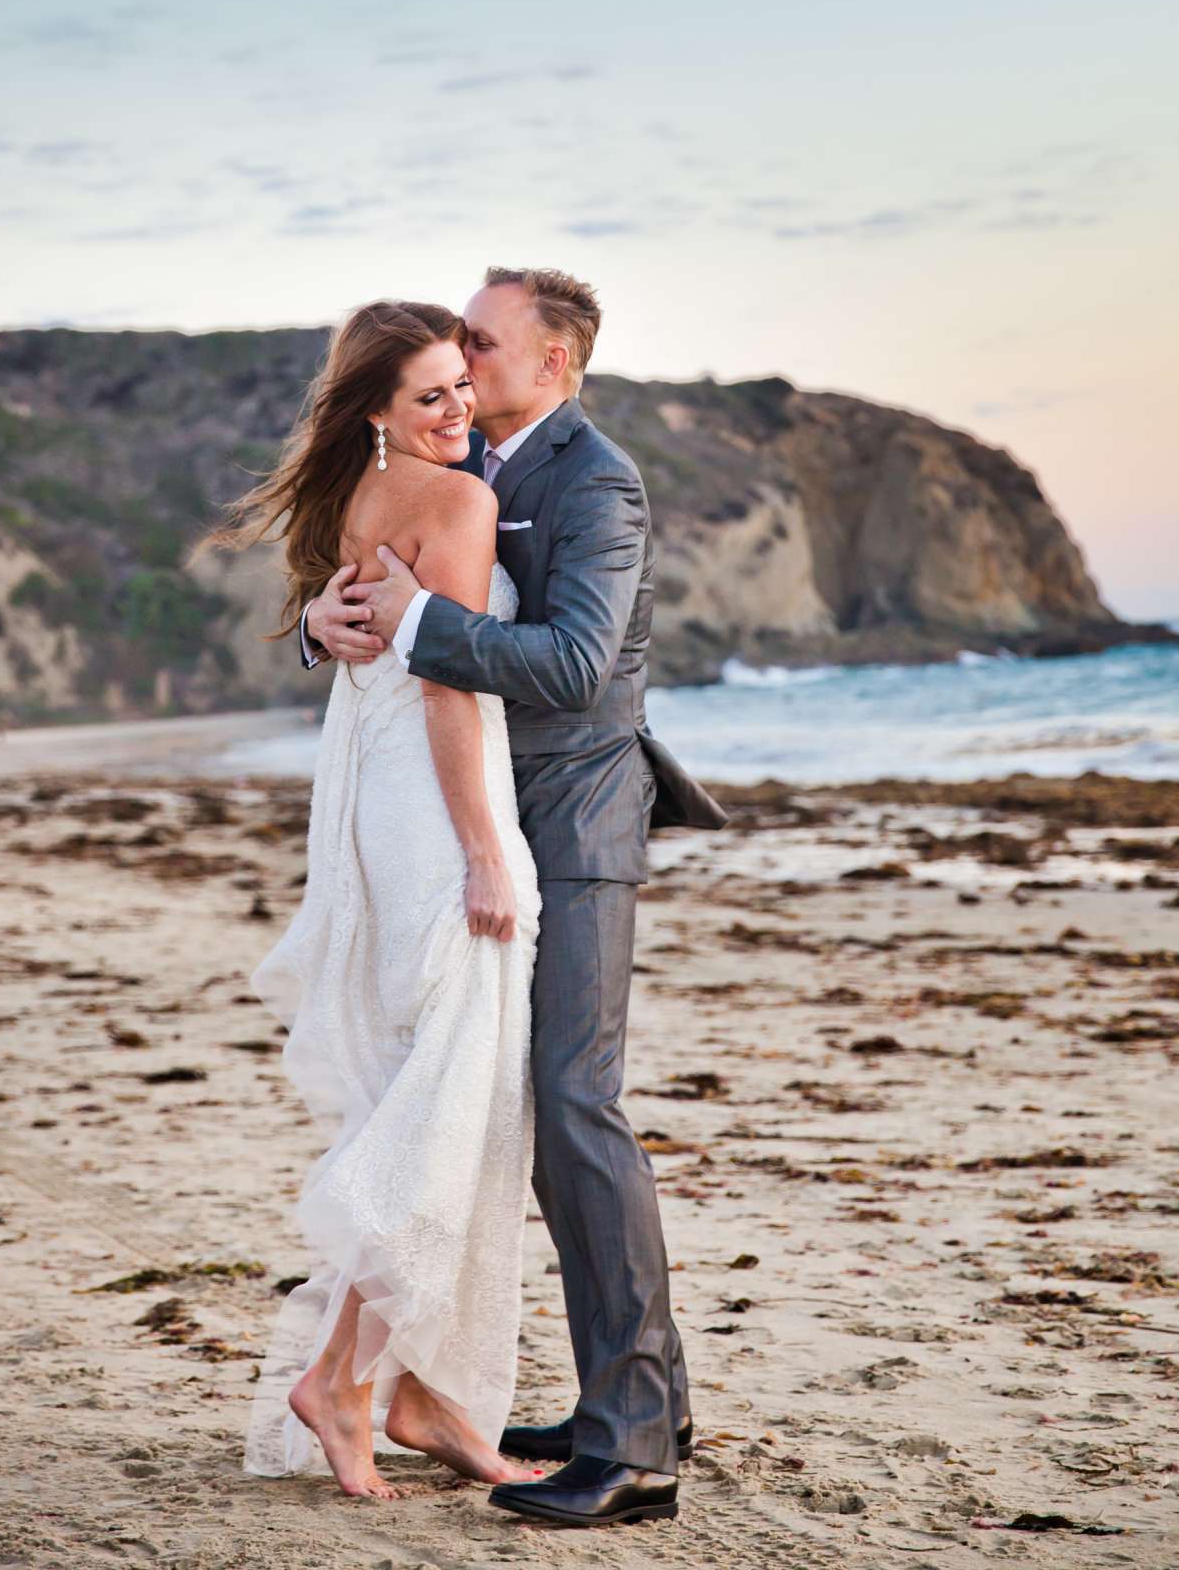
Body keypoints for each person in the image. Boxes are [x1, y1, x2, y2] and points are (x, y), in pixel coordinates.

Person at [303, 266, 726, 1531]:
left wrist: (417, 621)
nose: (463, 359)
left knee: (571, 1108)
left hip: (576, 822)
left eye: (483, 343)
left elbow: (577, 662)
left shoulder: (593, 479)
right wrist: (331, 623)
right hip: (473, 817)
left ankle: (634, 1442)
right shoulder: (459, 461)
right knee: (502, 1109)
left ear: (556, 364)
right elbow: (374, 592)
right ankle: (627, 1403)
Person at [209, 300, 542, 1500]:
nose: (459, 411)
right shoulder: (457, 501)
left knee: (437, 1089)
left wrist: (316, 622)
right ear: (377, 414)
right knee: (450, 1100)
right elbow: (451, 689)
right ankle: (345, 1384)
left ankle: (414, 1386)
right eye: (432, 397)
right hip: (438, 810)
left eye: (463, 385)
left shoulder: (361, 492)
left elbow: (370, 634)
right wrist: (484, 855)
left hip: (374, 806)